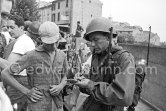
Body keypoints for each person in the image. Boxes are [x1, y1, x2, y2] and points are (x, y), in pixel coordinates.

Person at [69, 17, 136, 111]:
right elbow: (93, 86)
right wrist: (82, 82)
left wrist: (90, 85)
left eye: (96, 40)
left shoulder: (124, 58)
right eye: (91, 40)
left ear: (108, 37)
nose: (92, 44)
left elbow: (123, 96)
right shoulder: (96, 55)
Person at [2, 21, 68, 111]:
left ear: (58, 38)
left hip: (57, 105)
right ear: (40, 39)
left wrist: (60, 86)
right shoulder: (32, 55)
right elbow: (5, 74)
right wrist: (27, 92)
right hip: (38, 106)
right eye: (48, 43)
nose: (52, 45)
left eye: (54, 41)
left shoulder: (62, 55)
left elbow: (65, 76)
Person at [3, 15, 36, 111]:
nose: (9, 30)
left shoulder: (22, 42)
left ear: (21, 28)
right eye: (7, 27)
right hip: (22, 81)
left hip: (19, 82)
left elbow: (8, 67)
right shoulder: (24, 40)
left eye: (12, 27)